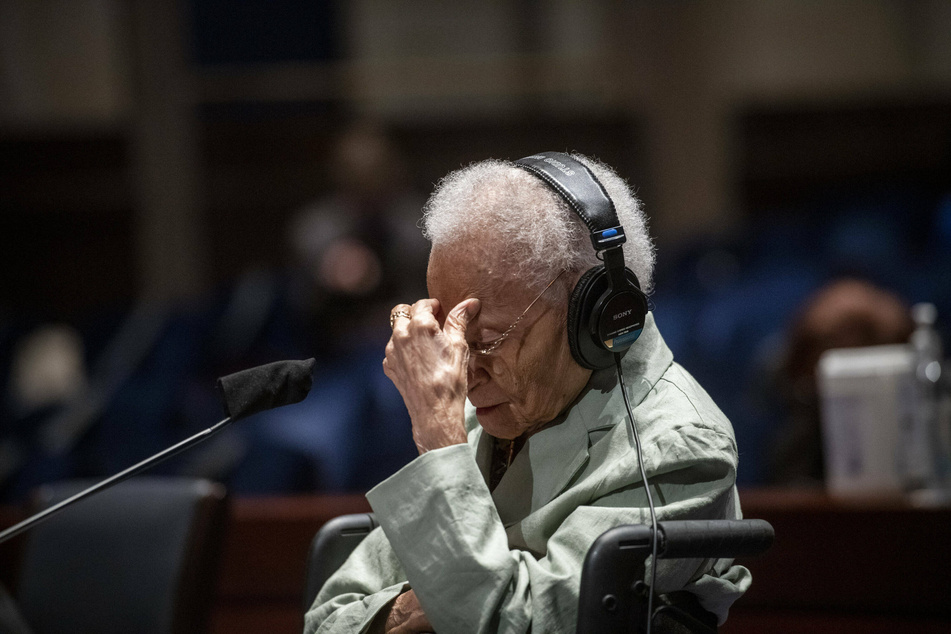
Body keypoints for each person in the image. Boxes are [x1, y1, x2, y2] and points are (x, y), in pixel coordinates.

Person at [305, 153, 749, 633]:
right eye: (453, 343)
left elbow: (504, 625)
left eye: (487, 341)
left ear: (594, 313)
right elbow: (330, 618)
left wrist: (437, 438)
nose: (461, 373)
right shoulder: (477, 420)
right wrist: (424, 608)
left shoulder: (680, 446)